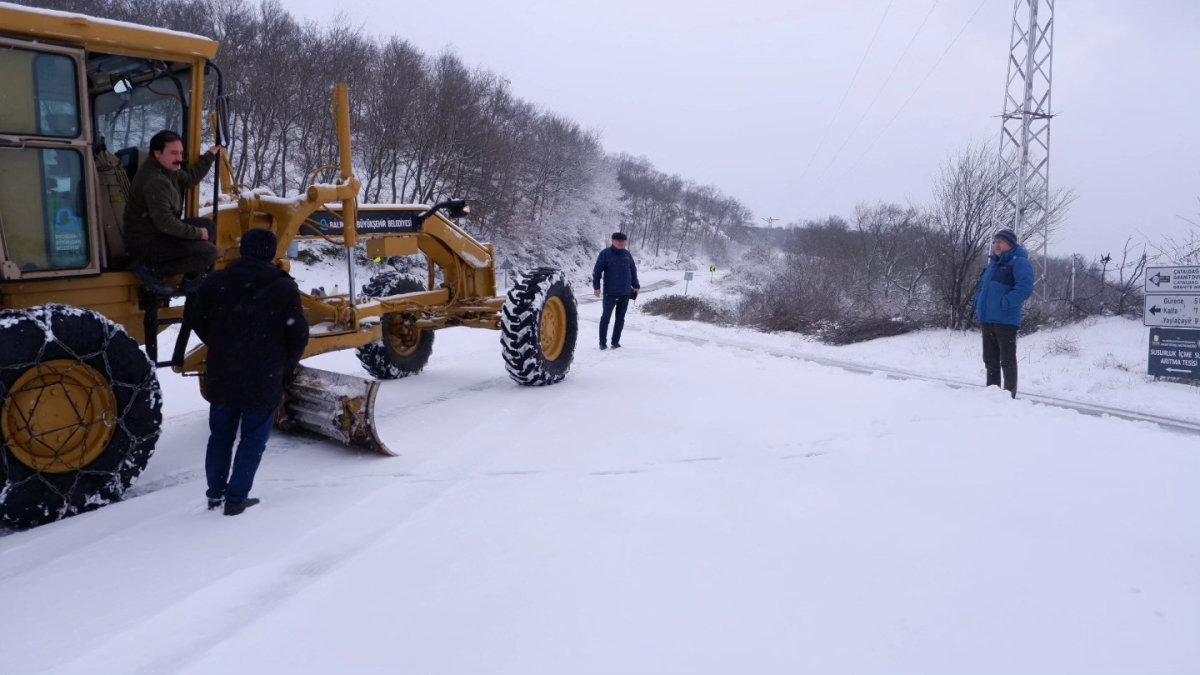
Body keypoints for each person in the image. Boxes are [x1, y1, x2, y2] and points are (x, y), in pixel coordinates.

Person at [184, 228, 309, 516]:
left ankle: (215, 495)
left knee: (220, 436)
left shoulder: (217, 281)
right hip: (263, 375)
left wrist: (218, 342)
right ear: (271, 253)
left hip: (224, 371)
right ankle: (236, 499)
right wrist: (286, 363)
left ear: (244, 250)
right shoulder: (283, 287)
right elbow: (299, 334)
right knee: (253, 438)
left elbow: (195, 317)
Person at [124, 129, 223, 295]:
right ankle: (150, 271)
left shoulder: (168, 170)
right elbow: (166, 223)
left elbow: (190, 179)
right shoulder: (155, 180)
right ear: (157, 153)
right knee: (209, 252)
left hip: (156, 232)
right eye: (173, 153)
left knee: (209, 226)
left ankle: (193, 280)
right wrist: (197, 234)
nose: (179, 158)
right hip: (145, 243)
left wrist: (210, 155)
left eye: (181, 153)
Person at [974, 228, 1035, 398]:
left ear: (1010, 243)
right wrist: (978, 303)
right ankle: (992, 393)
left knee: (1007, 360)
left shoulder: (1019, 262)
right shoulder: (993, 263)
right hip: (987, 318)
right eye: (994, 241)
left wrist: (1005, 303)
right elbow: (981, 288)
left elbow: (1025, 288)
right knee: (990, 359)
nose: (996, 244)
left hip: (1005, 319)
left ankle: (1009, 395)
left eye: (1000, 241)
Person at [592, 231, 640, 350]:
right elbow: (597, 271)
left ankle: (615, 342)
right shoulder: (605, 254)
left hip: (625, 293)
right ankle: (602, 342)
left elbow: (633, 271)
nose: (621, 243)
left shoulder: (627, 255)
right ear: (612, 241)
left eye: (622, 241)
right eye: (618, 241)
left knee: (620, 319)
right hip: (610, 293)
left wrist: (636, 286)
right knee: (606, 318)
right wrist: (596, 287)